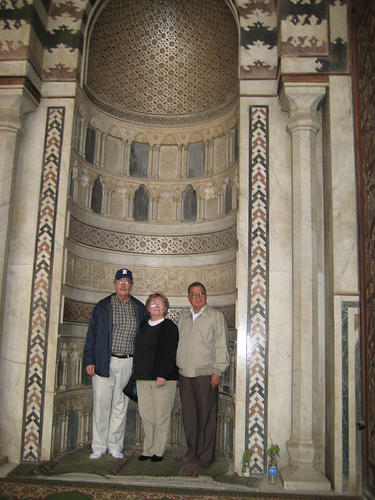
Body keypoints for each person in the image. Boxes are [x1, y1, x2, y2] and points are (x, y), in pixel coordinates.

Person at [83, 268, 147, 459]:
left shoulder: (138, 308)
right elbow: (91, 336)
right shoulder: (103, 306)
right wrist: (89, 360)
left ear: (131, 285)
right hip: (104, 361)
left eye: (127, 282)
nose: (123, 285)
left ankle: (114, 446)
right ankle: (99, 447)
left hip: (128, 362)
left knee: (121, 405)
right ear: (114, 284)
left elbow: (144, 337)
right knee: (102, 405)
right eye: (120, 281)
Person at [176, 282, 229, 469]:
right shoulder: (182, 318)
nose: (198, 297)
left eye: (201, 293)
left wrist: (217, 371)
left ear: (206, 296)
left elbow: (221, 345)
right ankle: (192, 452)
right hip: (185, 374)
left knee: (207, 415)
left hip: (206, 374)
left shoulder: (215, 316)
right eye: (194, 294)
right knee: (190, 416)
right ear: (189, 298)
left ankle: (206, 457)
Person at [133, 293, 179, 462]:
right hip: (143, 378)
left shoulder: (169, 327)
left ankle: (158, 451)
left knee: (161, 416)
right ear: (148, 307)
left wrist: (162, 374)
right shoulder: (143, 325)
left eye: (160, 304)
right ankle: (148, 448)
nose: (157, 306)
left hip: (163, 379)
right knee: (147, 415)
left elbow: (169, 353)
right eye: (153, 303)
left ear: (166, 308)